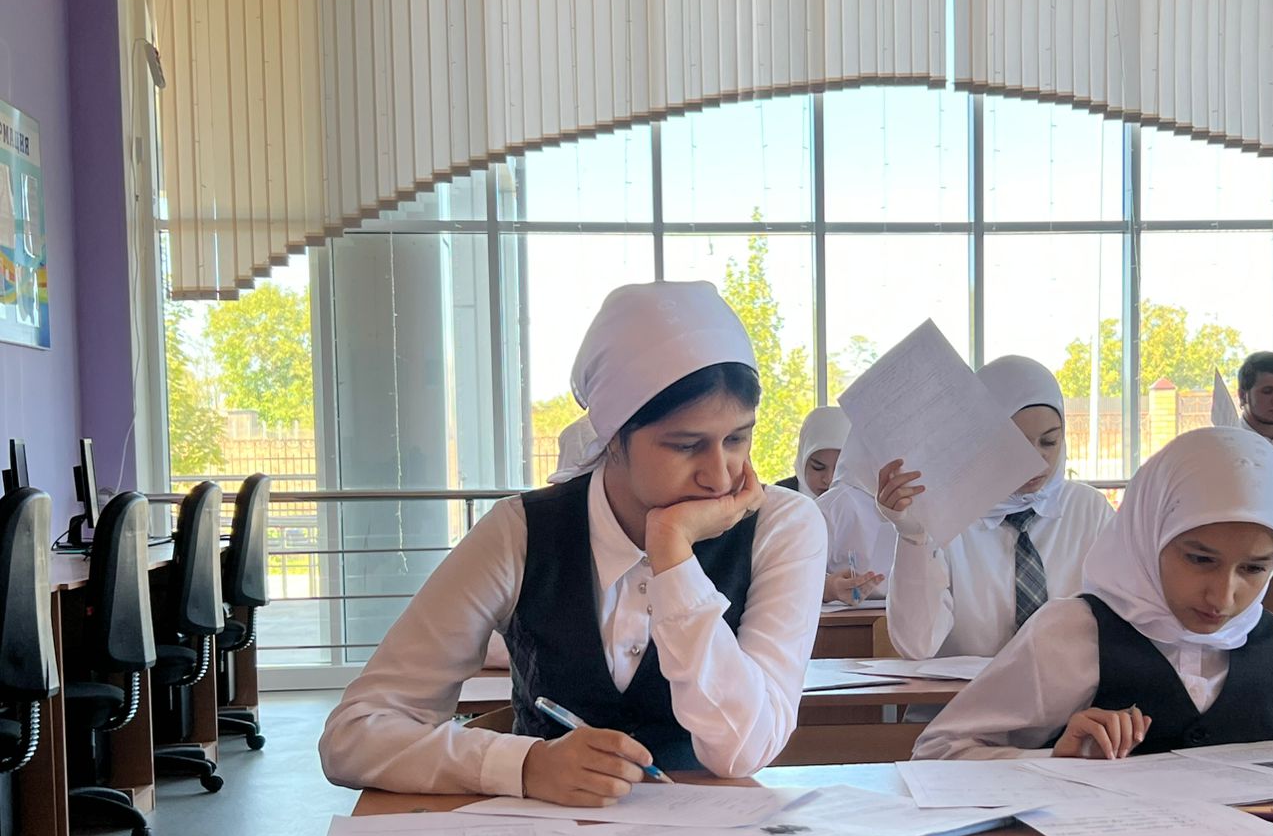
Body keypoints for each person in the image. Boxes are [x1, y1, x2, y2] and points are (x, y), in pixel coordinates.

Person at [320, 281, 827, 804]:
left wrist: (673, 555)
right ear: (613, 435)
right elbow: (353, 735)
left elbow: (742, 750)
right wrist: (523, 765)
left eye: (737, 438)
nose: (720, 476)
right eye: (685, 445)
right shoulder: (521, 532)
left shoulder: (783, 526)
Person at [913, 428, 1273, 761]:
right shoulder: (1069, 636)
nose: (1224, 594)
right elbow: (938, 753)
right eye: (1199, 559)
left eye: (1254, 569)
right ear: (1149, 534)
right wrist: (1053, 762)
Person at [875, 355, 1114, 659]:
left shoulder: (1088, 511)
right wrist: (912, 538)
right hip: (966, 690)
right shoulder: (946, 516)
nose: (1036, 459)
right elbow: (916, 645)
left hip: (1072, 689)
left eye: (1049, 442)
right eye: (1015, 443)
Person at [778, 406, 886, 603]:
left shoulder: (869, 501)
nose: (829, 479)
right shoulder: (779, 502)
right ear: (802, 458)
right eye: (818, 467)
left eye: (840, 468)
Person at [815, 434, 896, 604]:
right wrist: (830, 588)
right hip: (847, 618)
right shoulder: (835, 505)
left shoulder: (928, 505)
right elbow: (792, 575)